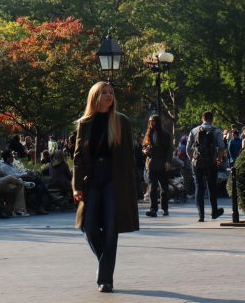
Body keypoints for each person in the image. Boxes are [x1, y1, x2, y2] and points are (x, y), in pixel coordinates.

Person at [72, 81, 139, 293]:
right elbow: (78, 158)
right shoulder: (85, 123)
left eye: (111, 93)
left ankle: (105, 279)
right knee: (89, 226)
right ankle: (105, 264)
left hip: (115, 178)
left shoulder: (121, 122)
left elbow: (129, 157)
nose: (109, 96)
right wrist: (76, 186)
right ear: (95, 96)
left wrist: (132, 186)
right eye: (104, 92)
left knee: (111, 227)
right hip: (92, 179)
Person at [186, 111, 226, 222]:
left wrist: (192, 159)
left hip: (197, 163)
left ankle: (201, 215)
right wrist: (218, 159)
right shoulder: (216, 130)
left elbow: (188, 148)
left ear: (202, 119)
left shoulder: (194, 130)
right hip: (211, 162)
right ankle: (214, 212)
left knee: (198, 187)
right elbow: (222, 147)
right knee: (211, 187)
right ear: (212, 119)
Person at [0, 150, 52, 215]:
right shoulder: (4, 167)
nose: (13, 158)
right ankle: (50, 197)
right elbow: (13, 176)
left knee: (39, 188)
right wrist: (25, 174)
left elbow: (18, 173)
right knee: (37, 180)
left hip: (21, 180)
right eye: (12, 157)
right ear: (8, 158)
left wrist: (27, 172)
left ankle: (38, 208)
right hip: (16, 182)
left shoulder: (10, 165)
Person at [142, 115, 173, 217]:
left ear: (158, 122)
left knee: (164, 188)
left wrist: (168, 161)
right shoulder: (148, 134)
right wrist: (145, 150)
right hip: (151, 164)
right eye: (150, 121)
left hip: (162, 164)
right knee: (152, 188)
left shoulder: (166, 134)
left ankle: (165, 208)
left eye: (153, 121)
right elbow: (143, 147)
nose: (151, 123)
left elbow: (169, 149)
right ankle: (153, 209)